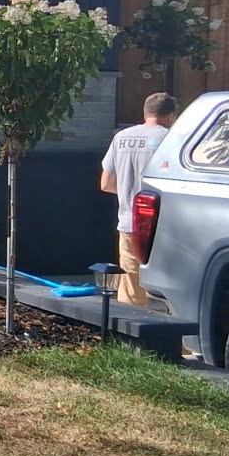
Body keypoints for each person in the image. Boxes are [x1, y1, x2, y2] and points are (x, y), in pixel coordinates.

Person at [99, 92, 179, 306]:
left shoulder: (121, 137)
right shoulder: (172, 139)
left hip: (128, 223)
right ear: (171, 115)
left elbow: (105, 183)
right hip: (164, 225)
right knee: (171, 286)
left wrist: (129, 191)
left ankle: (129, 336)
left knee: (131, 284)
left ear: (145, 112)